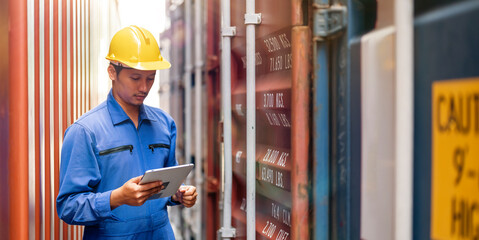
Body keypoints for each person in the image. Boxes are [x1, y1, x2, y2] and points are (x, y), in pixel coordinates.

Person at [56, 25, 197, 239]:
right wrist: (116, 197)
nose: (144, 87)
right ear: (112, 72)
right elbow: (68, 207)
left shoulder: (164, 124)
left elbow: (167, 182)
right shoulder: (85, 131)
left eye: (150, 78)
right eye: (135, 78)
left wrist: (179, 193)